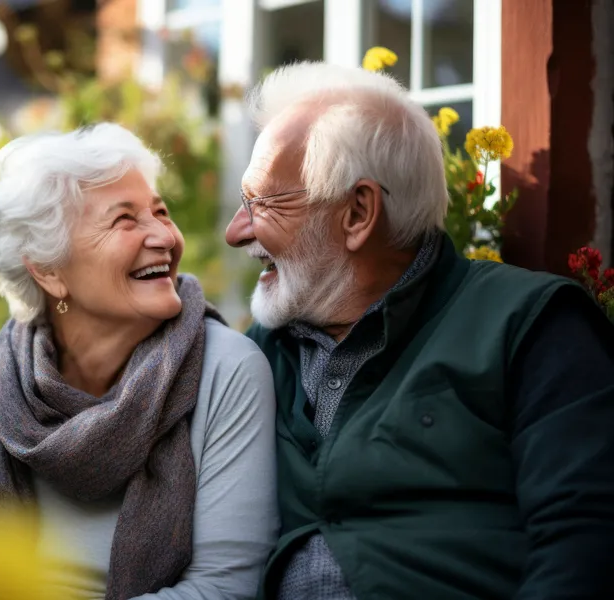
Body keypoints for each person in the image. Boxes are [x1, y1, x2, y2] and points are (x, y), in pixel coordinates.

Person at [224, 61, 614, 600]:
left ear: (358, 212)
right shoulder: (253, 356)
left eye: (262, 202)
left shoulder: (531, 324)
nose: (235, 231)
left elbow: (584, 548)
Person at [0, 123, 279, 600]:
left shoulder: (226, 370)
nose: (163, 235)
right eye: (125, 220)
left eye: (161, 212)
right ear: (50, 271)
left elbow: (224, 588)